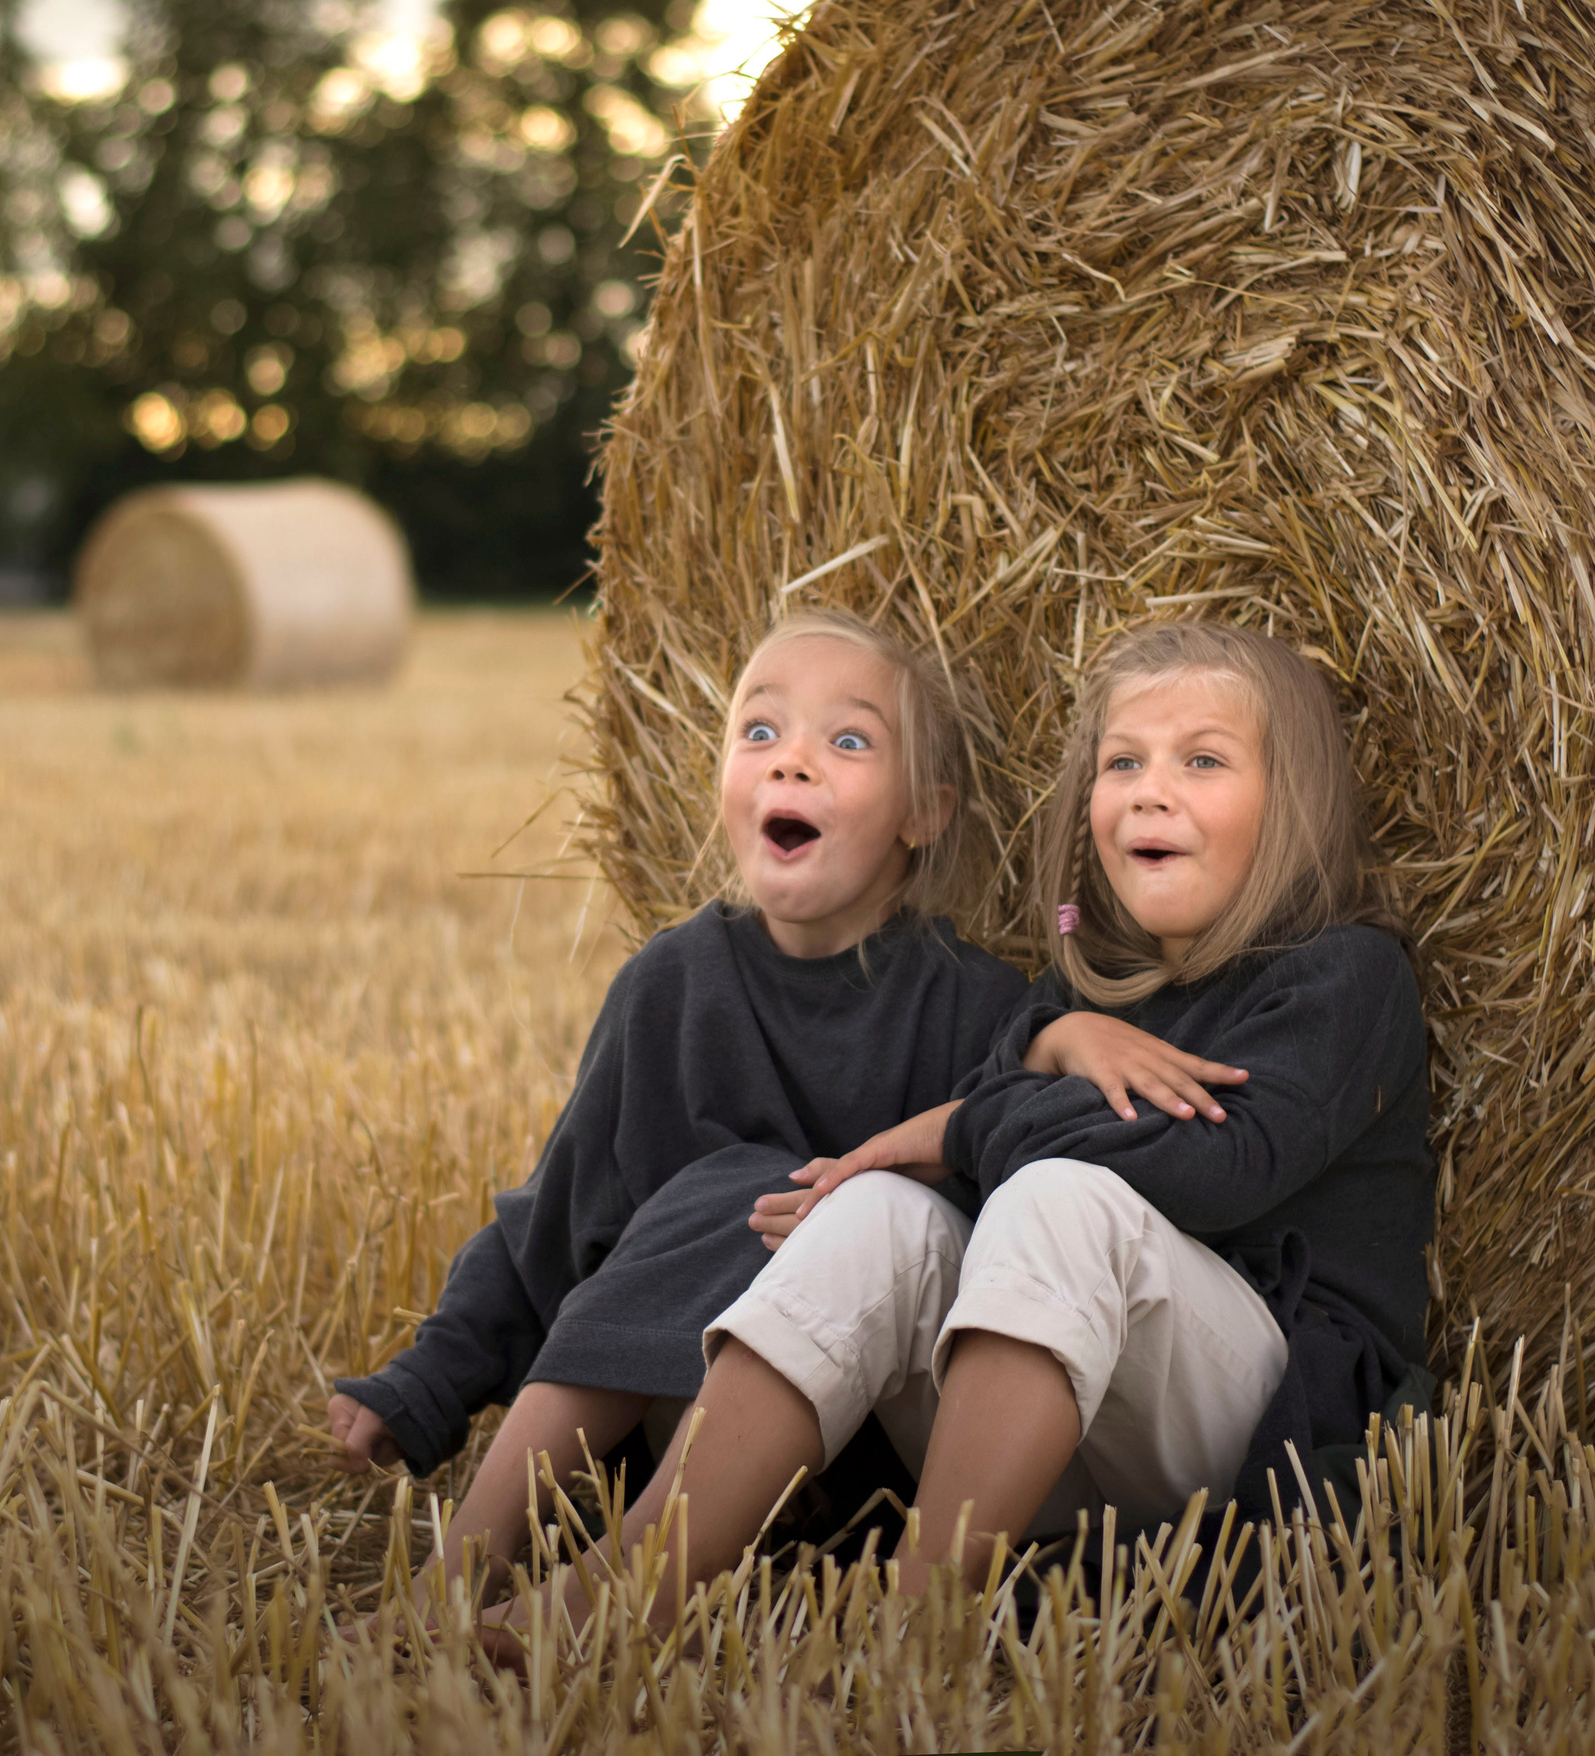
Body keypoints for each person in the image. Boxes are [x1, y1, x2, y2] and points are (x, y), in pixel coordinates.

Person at [327, 608, 1253, 1619]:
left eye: (847, 741)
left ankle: (550, 1581)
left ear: (925, 812)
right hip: (676, 1407)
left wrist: (1051, 1043)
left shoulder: (974, 1004)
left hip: (876, 1447)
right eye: (758, 733)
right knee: (704, 1203)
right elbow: (552, 1218)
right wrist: (427, 1380)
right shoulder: (668, 987)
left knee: (742, 1194)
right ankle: (464, 1568)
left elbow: (1016, 1234)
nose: (792, 763)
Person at [520, 619, 1432, 1617]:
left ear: (1292, 803)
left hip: (1257, 1429)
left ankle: (914, 1619)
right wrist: (1039, 1061)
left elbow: (1216, 1166)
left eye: (1202, 761)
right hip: (1057, 1454)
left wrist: (961, 1127)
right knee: (874, 1214)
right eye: (1121, 760)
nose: (1150, 788)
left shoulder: (1343, 975)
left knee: (1058, 1196)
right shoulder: (1075, 994)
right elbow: (965, 1179)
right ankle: (621, 1593)